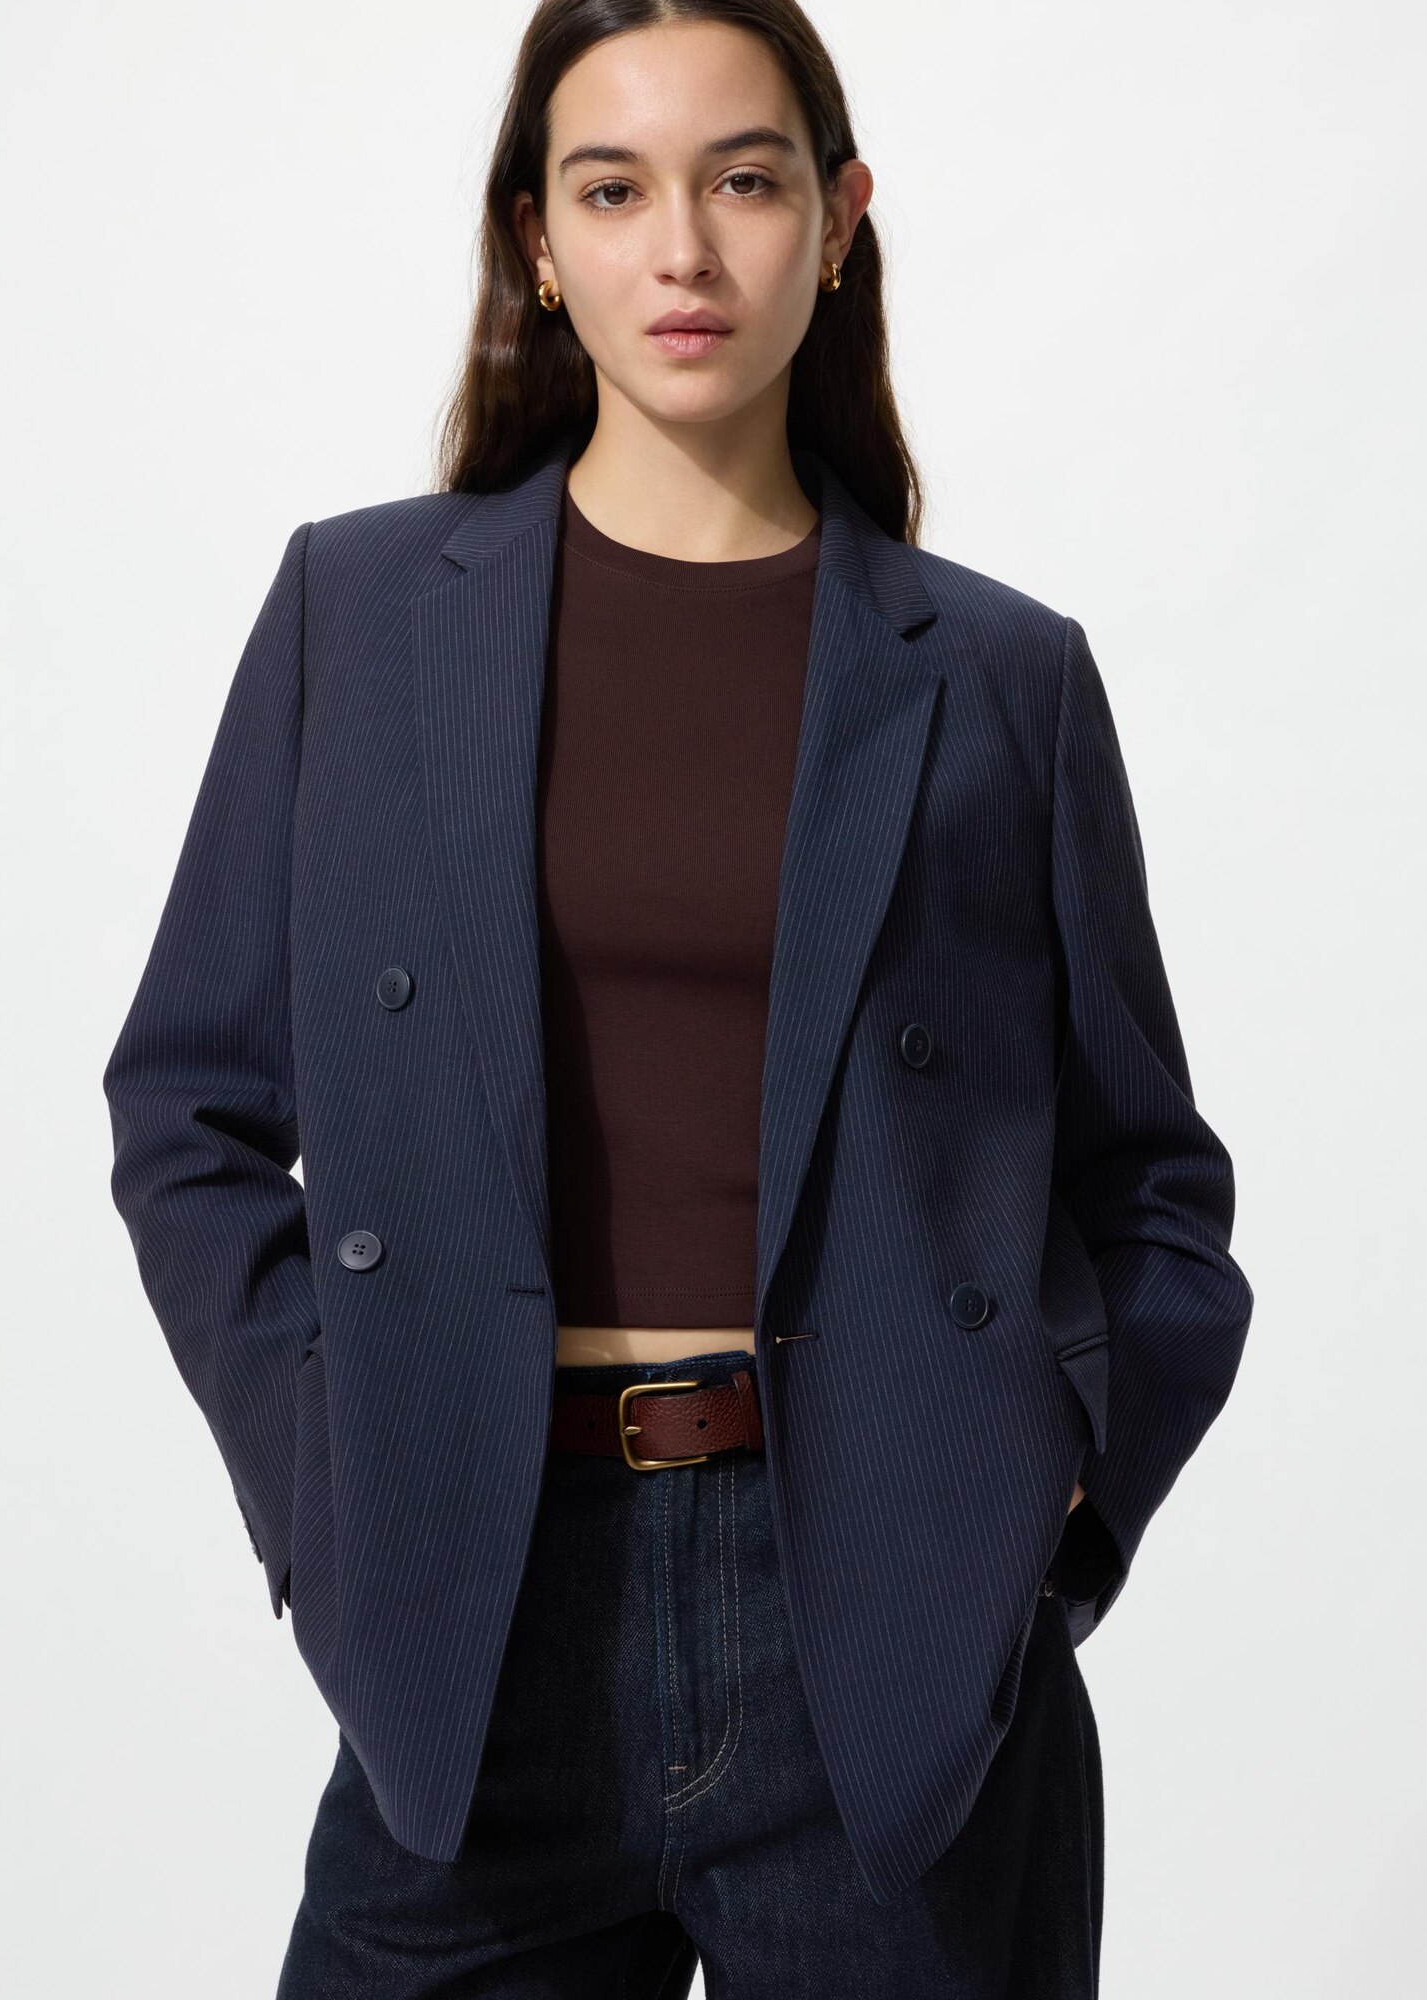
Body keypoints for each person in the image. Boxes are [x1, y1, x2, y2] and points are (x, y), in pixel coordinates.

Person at [102, 2, 1253, 1992]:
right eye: (615, 190)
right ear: (538, 242)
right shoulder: (357, 620)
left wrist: (1042, 1502)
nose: (686, 250)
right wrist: (329, 1470)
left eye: (746, 180)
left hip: (885, 1628)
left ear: (842, 217)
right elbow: (187, 1107)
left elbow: (1154, 1184)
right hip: (472, 1605)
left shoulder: (1001, 678)